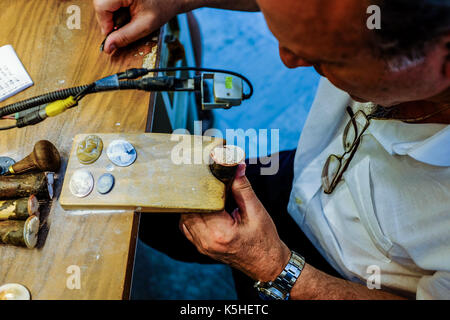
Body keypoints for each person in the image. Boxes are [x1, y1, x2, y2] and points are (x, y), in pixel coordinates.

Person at [93, 0, 450, 300]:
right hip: (309, 173)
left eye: (326, 59)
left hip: (337, 278)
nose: (287, 59)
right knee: (150, 213)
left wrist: (276, 268)